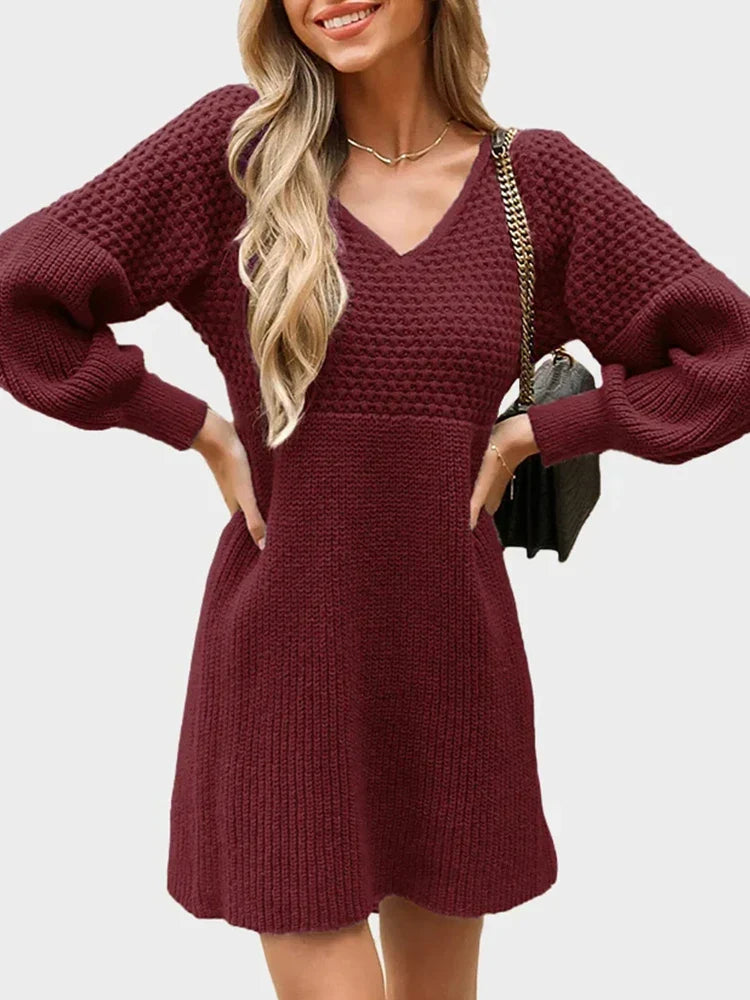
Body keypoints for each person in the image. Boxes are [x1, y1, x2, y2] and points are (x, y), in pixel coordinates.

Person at [2, 1, 750, 997]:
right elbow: (20, 294)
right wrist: (193, 426)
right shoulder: (238, 155)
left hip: (450, 659)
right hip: (288, 655)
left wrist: (542, 430)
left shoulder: (534, 183)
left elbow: (730, 356)